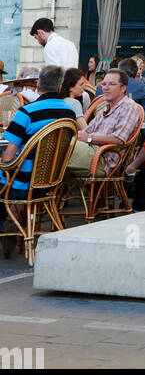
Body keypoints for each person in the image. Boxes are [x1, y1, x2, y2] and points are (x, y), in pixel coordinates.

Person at [1, 66, 77, 252]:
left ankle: (10, 223)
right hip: (52, 183)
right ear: (60, 87)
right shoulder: (69, 113)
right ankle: (14, 222)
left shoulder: (27, 112)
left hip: (22, 185)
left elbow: (9, 157)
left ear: (37, 86)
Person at [65, 69, 142, 179]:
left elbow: (119, 138)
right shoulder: (106, 108)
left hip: (103, 160)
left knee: (60, 149)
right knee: (57, 144)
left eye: (111, 84)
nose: (105, 87)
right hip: (92, 152)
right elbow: (87, 131)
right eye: (104, 84)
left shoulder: (129, 107)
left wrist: (89, 138)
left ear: (123, 88)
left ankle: (41, 191)